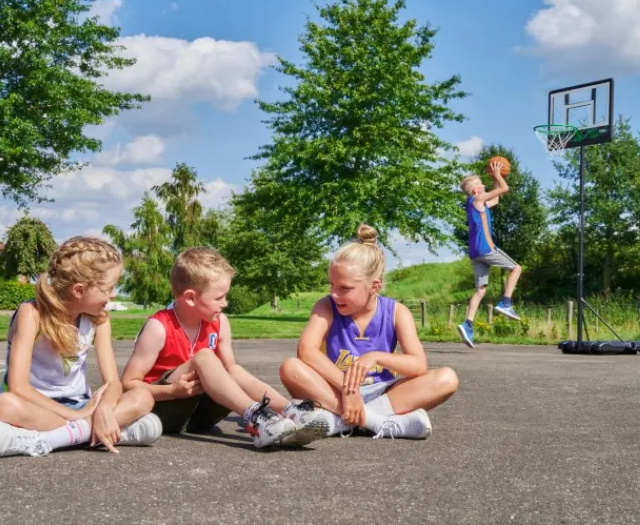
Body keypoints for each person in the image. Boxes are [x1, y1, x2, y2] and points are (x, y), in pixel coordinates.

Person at [120, 247, 328, 449]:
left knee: (231, 369)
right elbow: (128, 384)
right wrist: (171, 390)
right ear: (190, 298)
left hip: (199, 417)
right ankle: (257, 418)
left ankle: (289, 412)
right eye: (219, 297)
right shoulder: (158, 328)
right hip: (162, 410)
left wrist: (281, 407)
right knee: (204, 357)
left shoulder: (220, 323)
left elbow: (233, 372)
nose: (225, 303)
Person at [0, 236, 162, 458]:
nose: (113, 295)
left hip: (80, 406)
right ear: (79, 290)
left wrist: (104, 409)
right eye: (109, 288)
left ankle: (49, 440)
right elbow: (18, 387)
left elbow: (113, 382)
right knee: (3, 405)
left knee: (143, 397)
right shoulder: (32, 314)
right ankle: (108, 432)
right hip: (38, 408)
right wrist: (76, 416)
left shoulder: (99, 319)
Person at [278, 224, 459, 439]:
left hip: (384, 393)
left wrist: (375, 357)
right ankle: (377, 422)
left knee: (447, 378)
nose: (334, 293)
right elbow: (306, 351)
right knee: (290, 368)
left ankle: (340, 422)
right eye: (332, 285)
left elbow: (418, 364)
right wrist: (349, 390)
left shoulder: (397, 312)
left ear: (374, 286)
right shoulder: (326, 306)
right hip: (335, 392)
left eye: (344, 288)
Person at [457, 160, 522, 349]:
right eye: (480, 184)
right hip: (486, 248)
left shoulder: (476, 203)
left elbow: (496, 199)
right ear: (475, 191)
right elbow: (505, 188)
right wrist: (498, 175)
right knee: (516, 269)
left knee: (481, 290)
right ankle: (506, 303)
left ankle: (467, 325)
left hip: (474, 253)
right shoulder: (478, 200)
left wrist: (494, 179)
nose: (483, 185)